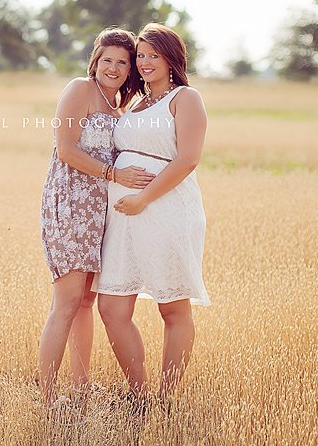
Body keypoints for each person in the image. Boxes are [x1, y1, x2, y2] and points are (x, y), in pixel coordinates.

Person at [37, 27, 156, 408]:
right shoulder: (80, 89)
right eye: (108, 60)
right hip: (70, 206)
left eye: (123, 62)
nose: (115, 67)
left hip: (100, 214)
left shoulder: (116, 105)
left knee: (86, 302)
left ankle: (82, 388)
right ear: (95, 61)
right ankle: (48, 398)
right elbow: (67, 150)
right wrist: (115, 175)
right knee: (67, 301)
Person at [95, 22, 211, 406]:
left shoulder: (185, 98)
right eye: (140, 56)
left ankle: (166, 398)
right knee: (111, 307)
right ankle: (140, 394)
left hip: (166, 211)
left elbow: (188, 159)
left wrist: (143, 199)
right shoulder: (136, 102)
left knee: (172, 306)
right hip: (124, 218)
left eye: (152, 55)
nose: (144, 63)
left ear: (171, 59)